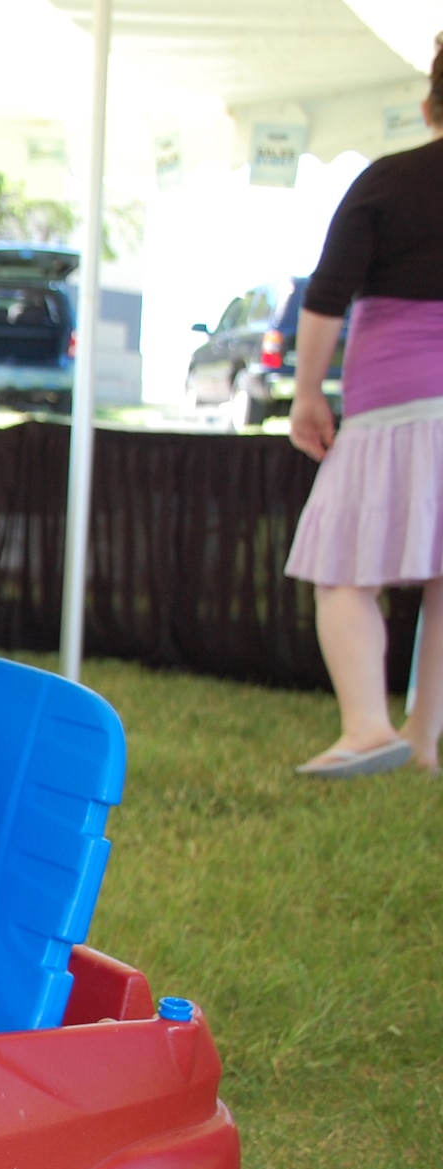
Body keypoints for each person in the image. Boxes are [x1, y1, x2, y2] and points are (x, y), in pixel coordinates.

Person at [285, 39, 443, 778]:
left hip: (395, 404)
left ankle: (368, 727)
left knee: (344, 568)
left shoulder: (390, 181)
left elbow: (327, 294)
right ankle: (425, 739)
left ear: (428, 106)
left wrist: (308, 391)